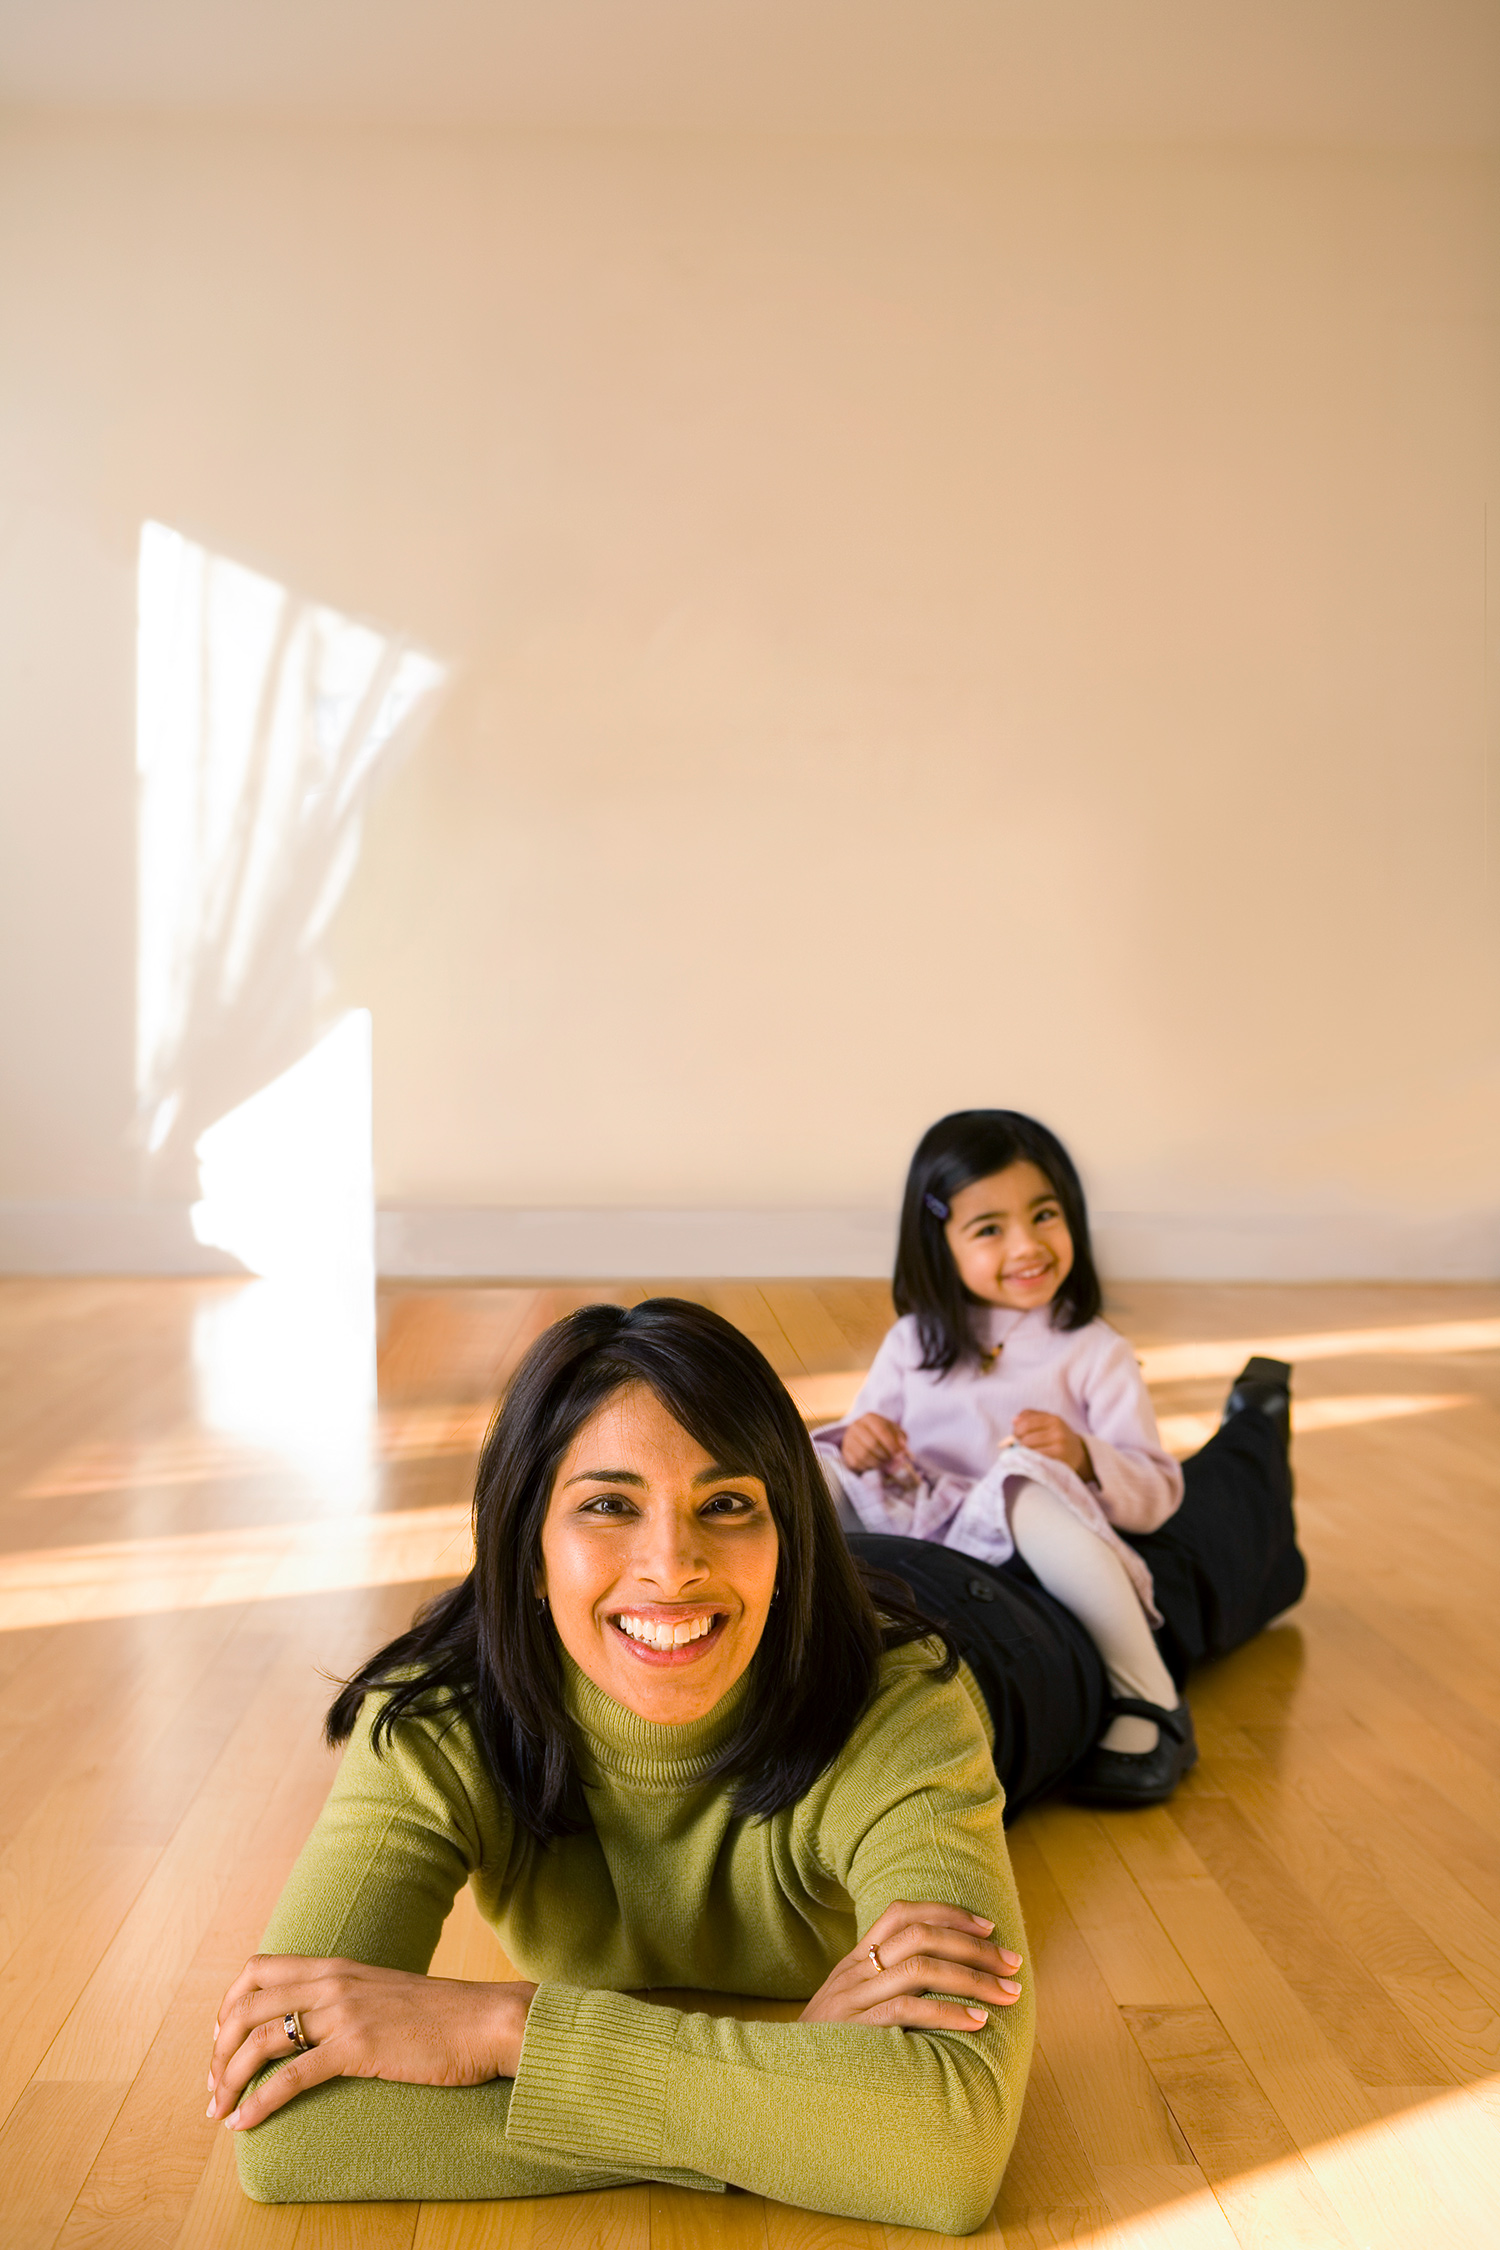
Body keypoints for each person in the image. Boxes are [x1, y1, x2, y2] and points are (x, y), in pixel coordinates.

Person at [209, 1299, 1034, 2233]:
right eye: (608, 1505)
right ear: (527, 1550)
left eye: (727, 1505)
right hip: (778, 1607)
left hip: (995, 1627)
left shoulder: (906, 1707)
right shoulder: (437, 1721)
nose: (671, 1564)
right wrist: (779, 2103)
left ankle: (1246, 1441)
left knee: (1164, 1572)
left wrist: (506, 2026)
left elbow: (948, 2144)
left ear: (787, 1536)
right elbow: (286, 2126)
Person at [815, 1110, 1305, 1810]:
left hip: (1031, 1546)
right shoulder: (912, 1341)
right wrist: (861, 1439)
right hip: (923, 1531)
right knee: (821, 1464)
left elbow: (1158, 1493)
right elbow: (869, 1432)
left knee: (1022, 1483)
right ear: (939, 1243)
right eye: (990, 1229)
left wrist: (1082, 1457)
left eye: (1044, 1215)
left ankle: (1151, 1699)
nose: (1028, 1245)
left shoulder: (1092, 1350)